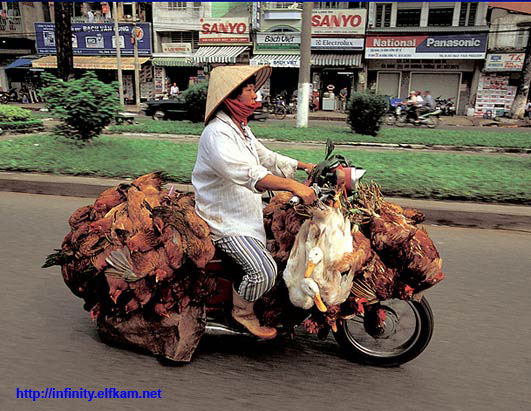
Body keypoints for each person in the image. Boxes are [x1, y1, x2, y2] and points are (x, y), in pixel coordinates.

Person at [192, 65, 316, 339]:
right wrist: (292, 185)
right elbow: (250, 173)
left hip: (246, 211)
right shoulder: (217, 135)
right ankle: (241, 313)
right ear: (230, 98)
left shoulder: (241, 129)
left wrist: (306, 166)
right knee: (264, 271)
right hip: (224, 221)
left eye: (252, 88)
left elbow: (266, 157)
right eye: (248, 90)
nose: (254, 94)